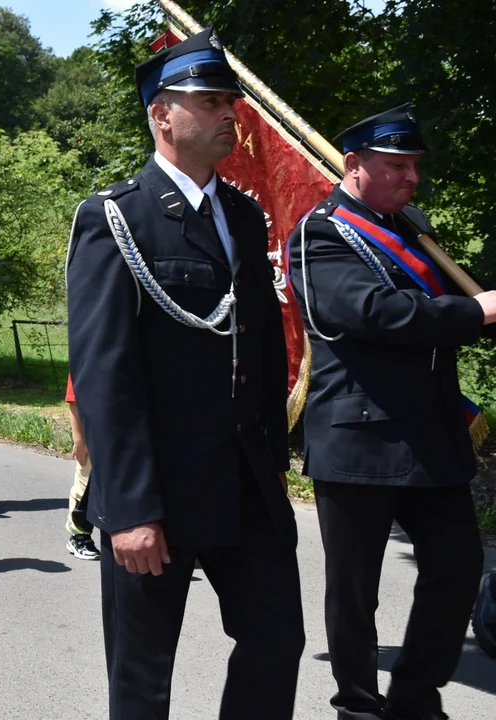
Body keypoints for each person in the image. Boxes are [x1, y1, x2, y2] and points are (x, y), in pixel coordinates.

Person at [66, 29, 305, 720]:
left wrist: (273, 456)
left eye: (229, 100)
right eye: (210, 101)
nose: (230, 112)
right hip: (156, 492)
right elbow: (105, 371)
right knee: (143, 681)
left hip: (245, 484)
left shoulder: (242, 214)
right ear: (161, 115)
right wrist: (133, 507)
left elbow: (260, 352)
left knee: (275, 642)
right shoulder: (114, 218)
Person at [288, 104, 492, 720]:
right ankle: (357, 704)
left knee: (458, 565)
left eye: (415, 166)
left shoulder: (409, 226)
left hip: (432, 435)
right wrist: (476, 313)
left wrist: (477, 307)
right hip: (360, 438)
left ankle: (414, 693)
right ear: (354, 166)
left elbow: (459, 299)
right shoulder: (320, 233)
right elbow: (373, 313)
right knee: (355, 590)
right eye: (396, 165)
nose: (411, 178)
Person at [63, 374, 98, 560]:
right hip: (92, 435)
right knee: (85, 485)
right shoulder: (86, 353)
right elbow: (74, 399)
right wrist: (79, 439)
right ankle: (79, 535)